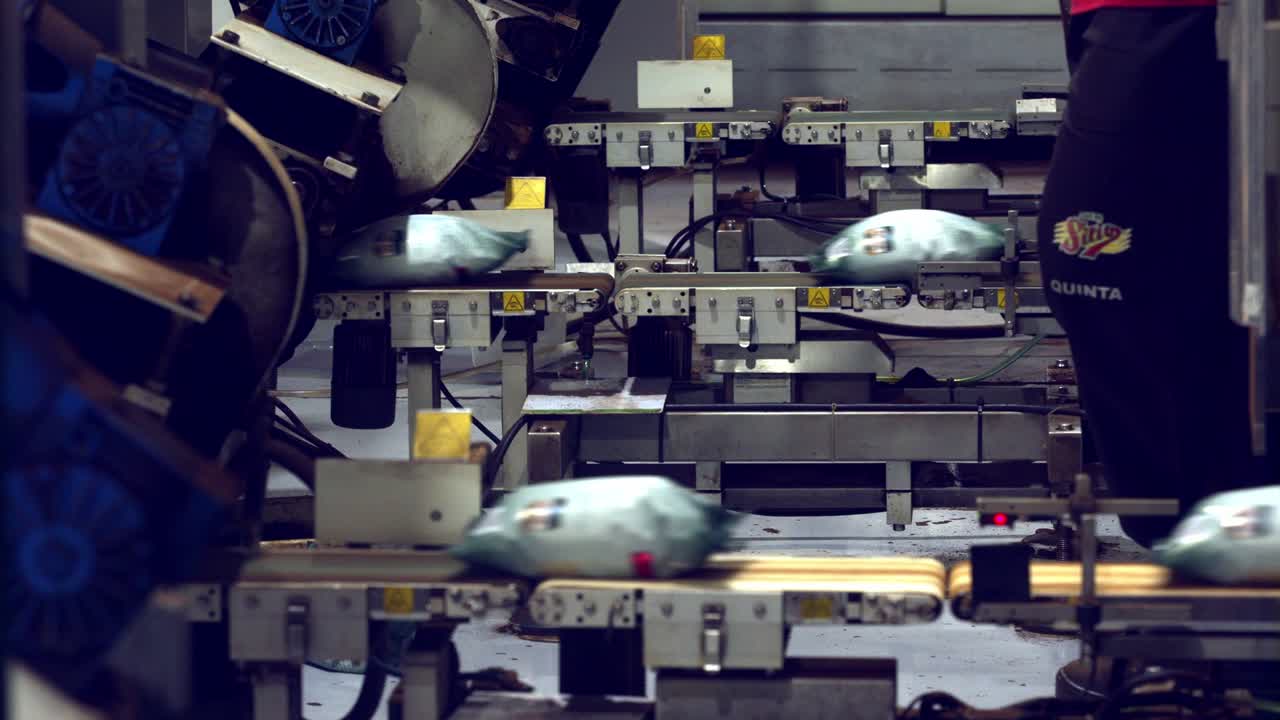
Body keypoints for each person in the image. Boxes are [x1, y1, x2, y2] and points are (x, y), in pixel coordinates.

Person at [1038, 0, 1261, 547]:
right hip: (1124, 18)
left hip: (1176, 17)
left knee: (1088, 256)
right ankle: (1208, 530)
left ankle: (1204, 527)